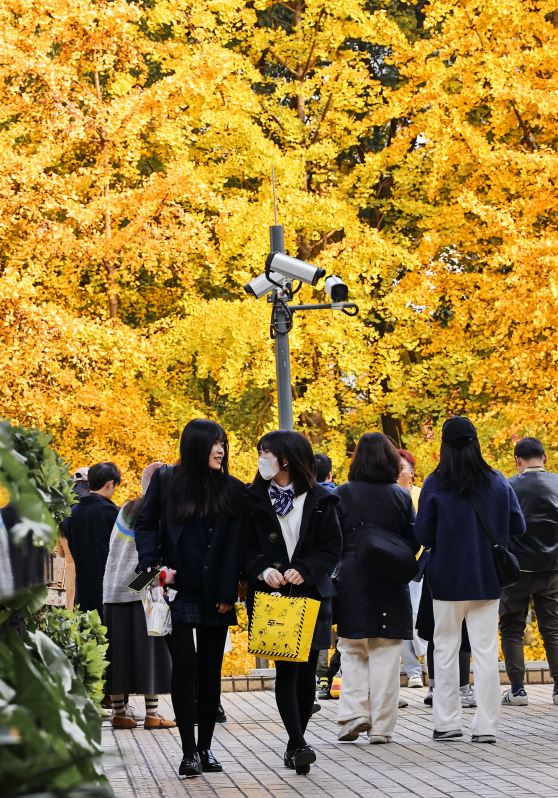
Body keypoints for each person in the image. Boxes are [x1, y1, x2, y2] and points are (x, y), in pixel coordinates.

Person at [135, 419, 245, 779]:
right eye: (214, 443)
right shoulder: (167, 481)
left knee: (211, 670)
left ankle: (206, 748)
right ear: (195, 446)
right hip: (172, 591)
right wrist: (152, 567)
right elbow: (146, 524)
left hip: (216, 594)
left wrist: (230, 591)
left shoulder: (232, 488)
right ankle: (187, 753)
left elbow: (236, 546)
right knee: (184, 667)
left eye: (223, 443)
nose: (221, 449)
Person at [414, 416, 525, 743]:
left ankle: (447, 723)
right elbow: (518, 526)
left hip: (446, 580)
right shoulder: (498, 481)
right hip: (487, 578)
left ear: (444, 446)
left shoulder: (435, 484)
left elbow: (422, 533)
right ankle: (487, 726)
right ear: (476, 442)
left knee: (445, 649)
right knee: (487, 651)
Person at [244, 431, 342, 775]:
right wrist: (261, 570)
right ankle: (298, 742)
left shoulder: (320, 498)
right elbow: (242, 549)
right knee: (287, 669)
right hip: (272, 598)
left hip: (311, 594)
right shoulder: (250, 498)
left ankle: (294, 742)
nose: (261, 458)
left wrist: (306, 569)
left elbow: (331, 548)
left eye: (266, 452)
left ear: (285, 458)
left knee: (306, 674)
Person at [334, 432, 419, 744]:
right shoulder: (400, 496)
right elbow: (414, 539)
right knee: (386, 650)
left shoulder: (342, 493)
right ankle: (382, 728)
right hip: (390, 577)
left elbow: (333, 540)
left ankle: (354, 714)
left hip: (353, 577)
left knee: (352, 647)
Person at [103, 461, 175, 730]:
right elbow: (153, 558)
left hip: (112, 590)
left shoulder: (125, 509)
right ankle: (153, 715)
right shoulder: (159, 512)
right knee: (151, 654)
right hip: (141, 593)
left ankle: (120, 713)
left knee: (118, 655)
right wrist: (153, 583)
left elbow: (115, 552)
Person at [500, 437, 558, 706]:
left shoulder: (507, 486)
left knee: (512, 628)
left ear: (517, 460)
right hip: (552, 569)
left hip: (516, 570)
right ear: (544, 458)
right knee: (553, 629)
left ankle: (518, 690)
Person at [64, 462, 121, 620]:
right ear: (110, 484)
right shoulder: (112, 512)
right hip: (109, 592)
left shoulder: (71, 514)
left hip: (82, 589)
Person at [397, 449, 426, 689]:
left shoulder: (421, 495)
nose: (397, 472)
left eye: (401, 467)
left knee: (419, 617)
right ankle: (413, 670)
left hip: (421, 568)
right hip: (397, 568)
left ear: (412, 472)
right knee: (405, 620)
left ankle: (426, 663)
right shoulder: (387, 495)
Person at [56, 467, 90, 611]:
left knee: (73, 615)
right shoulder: (94, 510)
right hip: (91, 571)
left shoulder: (65, 515)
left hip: (70, 574)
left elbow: (61, 552)